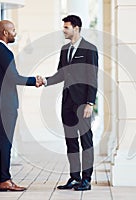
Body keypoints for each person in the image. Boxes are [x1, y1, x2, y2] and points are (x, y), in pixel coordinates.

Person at [0, 20, 43, 191]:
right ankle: (5, 180)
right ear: (5, 33)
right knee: (5, 140)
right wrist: (34, 81)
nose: (15, 33)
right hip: (6, 104)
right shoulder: (4, 53)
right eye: (13, 30)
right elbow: (14, 78)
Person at [41, 15, 98, 191]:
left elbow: (93, 78)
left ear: (76, 28)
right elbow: (61, 74)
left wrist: (90, 103)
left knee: (85, 141)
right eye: (64, 27)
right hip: (67, 103)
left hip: (83, 104)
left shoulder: (90, 49)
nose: (63, 30)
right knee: (71, 141)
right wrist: (45, 80)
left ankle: (86, 180)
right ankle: (74, 178)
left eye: (66, 27)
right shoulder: (64, 49)